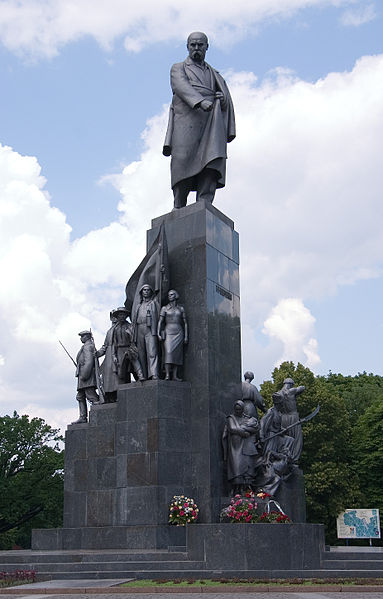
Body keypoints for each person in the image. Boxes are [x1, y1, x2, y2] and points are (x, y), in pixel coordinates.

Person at [163, 31, 236, 208]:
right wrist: (200, 101)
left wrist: (222, 99)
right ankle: (179, 204)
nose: (196, 48)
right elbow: (181, 86)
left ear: (206, 47)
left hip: (212, 120)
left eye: (200, 45)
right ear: (187, 47)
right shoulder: (178, 67)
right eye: (193, 45)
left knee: (211, 161)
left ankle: (205, 202)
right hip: (187, 120)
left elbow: (226, 97)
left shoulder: (215, 74)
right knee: (182, 160)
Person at [96, 307, 144, 402]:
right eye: (118, 315)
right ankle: (121, 395)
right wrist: (101, 354)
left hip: (129, 348)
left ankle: (140, 377)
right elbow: (109, 345)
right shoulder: (113, 330)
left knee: (134, 364)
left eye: (122, 315)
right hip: (119, 351)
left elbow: (134, 338)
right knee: (121, 372)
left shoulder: (130, 326)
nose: (120, 317)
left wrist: (132, 346)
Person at [222, 400, 260, 495]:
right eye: (236, 409)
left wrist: (243, 428)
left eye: (239, 409)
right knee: (236, 467)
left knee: (247, 467)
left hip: (247, 447)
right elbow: (232, 428)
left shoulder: (248, 418)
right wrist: (244, 432)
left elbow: (255, 427)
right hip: (235, 448)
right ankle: (235, 490)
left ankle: (245, 490)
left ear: (243, 409)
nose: (237, 411)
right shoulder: (231, 418)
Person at [272, 377, 305, 464]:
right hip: (293, 417)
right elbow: (302, 388)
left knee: (285, 439)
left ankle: (284, 458)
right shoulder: (291, 391)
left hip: (283, 418)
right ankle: (293, 459)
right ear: (291, 384)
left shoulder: (278, 394)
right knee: (297, 439)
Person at [157, 289, 188, 381]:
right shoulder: (164, 308)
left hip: (179, 331)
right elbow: (160, 321)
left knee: (177, 355)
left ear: (175, 295)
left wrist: (186, 336)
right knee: (168, 352)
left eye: (171, 295)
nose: (169, 296)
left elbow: (185, 323)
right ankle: (167, 374)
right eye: (169, 295)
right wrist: (158, 333)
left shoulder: (181, 309)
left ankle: (175, 375)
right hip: (168, 331)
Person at [132, 285, 160, 380]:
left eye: (148, 290)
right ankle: (143, 375)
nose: (146, 291)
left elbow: (159, 318)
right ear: (141, 292)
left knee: (152, 352)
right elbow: (134, 321)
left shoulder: (154, 303)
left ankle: (154, 374)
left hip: (150, 329)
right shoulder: (138, 306)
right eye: (144, 290)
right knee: (141, 354)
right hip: (140, 328)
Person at [73, 330, 100, 424]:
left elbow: (89, 362)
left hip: (86, 375)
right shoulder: (86, 346)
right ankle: (83, 417)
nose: (81, 338)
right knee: (80, 396)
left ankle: (99, 413)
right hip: (82, 374)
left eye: (82, 336)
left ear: (87, 336)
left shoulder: (88, 346)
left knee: (91, 395)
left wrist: (84, 375)